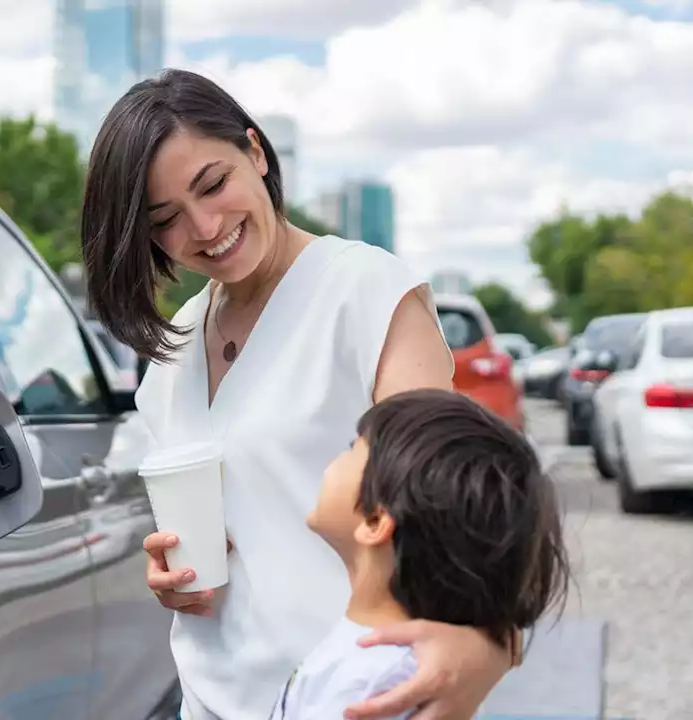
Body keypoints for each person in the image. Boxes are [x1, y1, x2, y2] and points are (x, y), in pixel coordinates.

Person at [80, 68, 519, 720]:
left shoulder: (363, 293)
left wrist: (487, 643)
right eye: (166, 218)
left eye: (214, 184)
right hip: (209, 699)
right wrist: (172, 577)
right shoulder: (174, 347)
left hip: (350, 697)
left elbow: (459, 509)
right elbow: (231, 532)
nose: (204, 227)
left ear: (255, 153)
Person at [268, 388, 570, 719]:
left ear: (375, 521)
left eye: (353, 447)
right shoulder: (385, 662)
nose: (336, 458)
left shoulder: (373, 685)